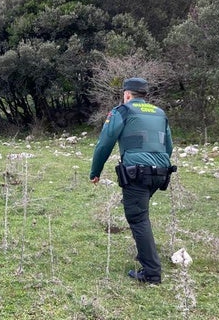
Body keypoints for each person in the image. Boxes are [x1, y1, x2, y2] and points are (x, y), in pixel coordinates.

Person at [89, 77, 174, 284]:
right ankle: (145, 254)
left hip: (138, 173)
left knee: (138, 218)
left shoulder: (122, 111)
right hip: (161, 172)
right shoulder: (159, 113)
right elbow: (168, 146)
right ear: (144, 96)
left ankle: (152, 272)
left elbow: (104, 143)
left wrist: (95, 171)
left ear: (127, 95)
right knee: (139, 211)